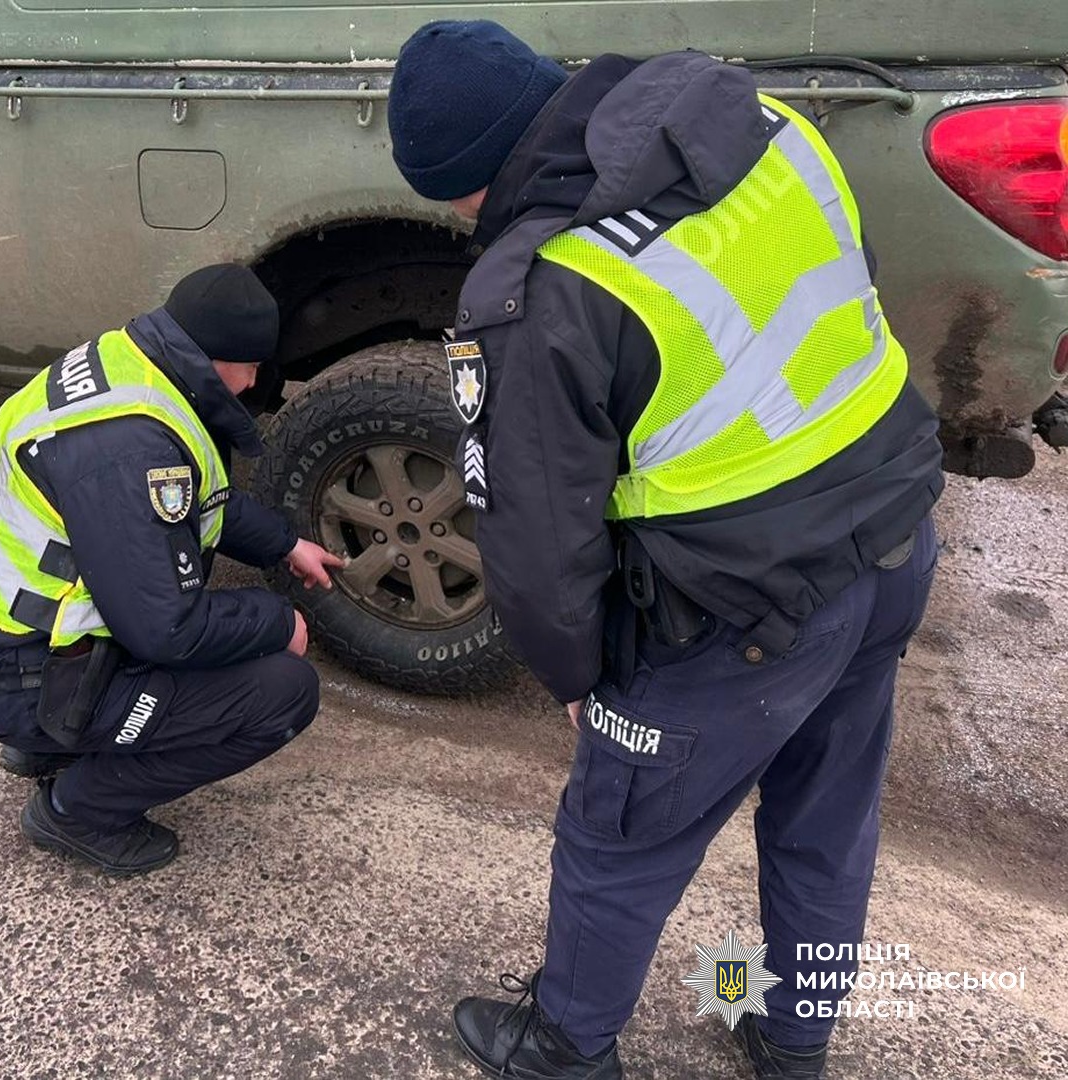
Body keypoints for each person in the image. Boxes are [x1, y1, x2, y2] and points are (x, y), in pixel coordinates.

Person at [388, 21, 944, 1080]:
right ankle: (792, 1043)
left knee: (619, 835)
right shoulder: (762, 123)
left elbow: (536, 538)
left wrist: (576, 676)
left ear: (470, 184)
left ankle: (566, 1045)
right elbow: (843, 284)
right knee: (827, 820)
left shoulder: (547, 288)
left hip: (743, 614)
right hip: (893, 533)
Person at [0, 263, 345, 877]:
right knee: (282, 693)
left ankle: (43, 744)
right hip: (19, 670)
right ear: (219, 357)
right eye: (253, 366)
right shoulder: (129, 450)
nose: (255, 381)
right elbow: (166, 630)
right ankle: (75, 810)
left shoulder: (132, 365)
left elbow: (189, 496)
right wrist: (275, 619)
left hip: (15, 638)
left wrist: (285, 544)